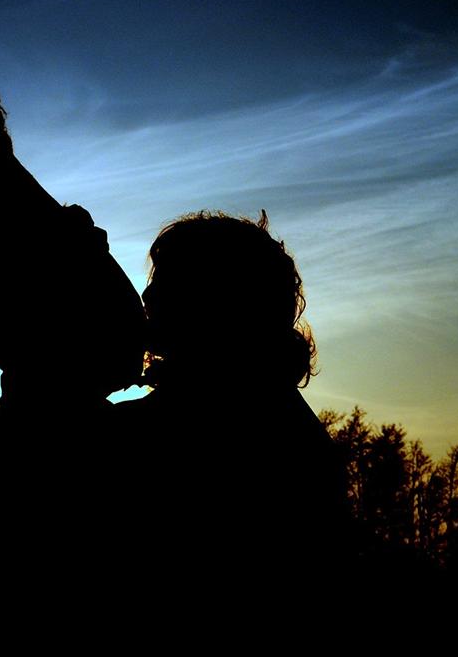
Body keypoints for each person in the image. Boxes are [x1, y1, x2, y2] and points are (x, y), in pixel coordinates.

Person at [96, 210, 348, 580]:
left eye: (167, 280)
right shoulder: (284, 419)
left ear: (216, 299)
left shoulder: (168, 429)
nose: (148, 294)